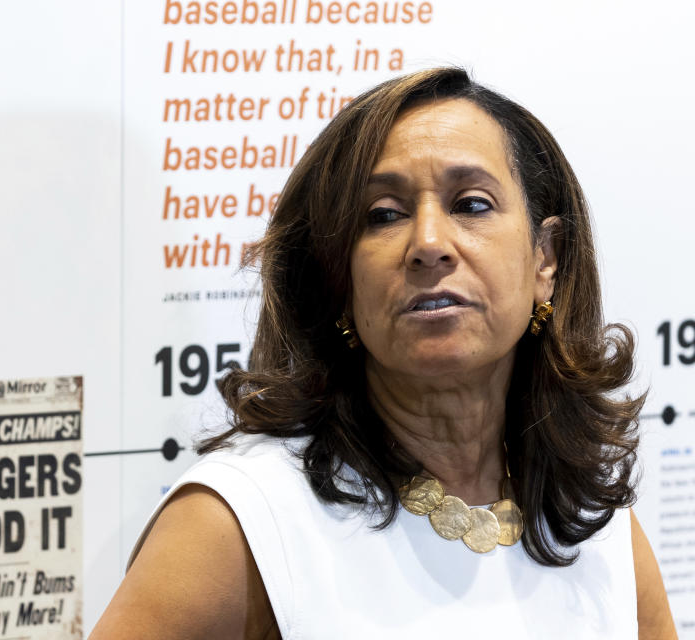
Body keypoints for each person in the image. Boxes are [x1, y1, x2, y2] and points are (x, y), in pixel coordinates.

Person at [91, 67, 677, 639]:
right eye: (384, 216)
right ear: (337, 279)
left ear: (545, 258)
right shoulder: (239, 522)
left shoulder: (597, 531)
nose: (427, 244)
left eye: (471, 204)